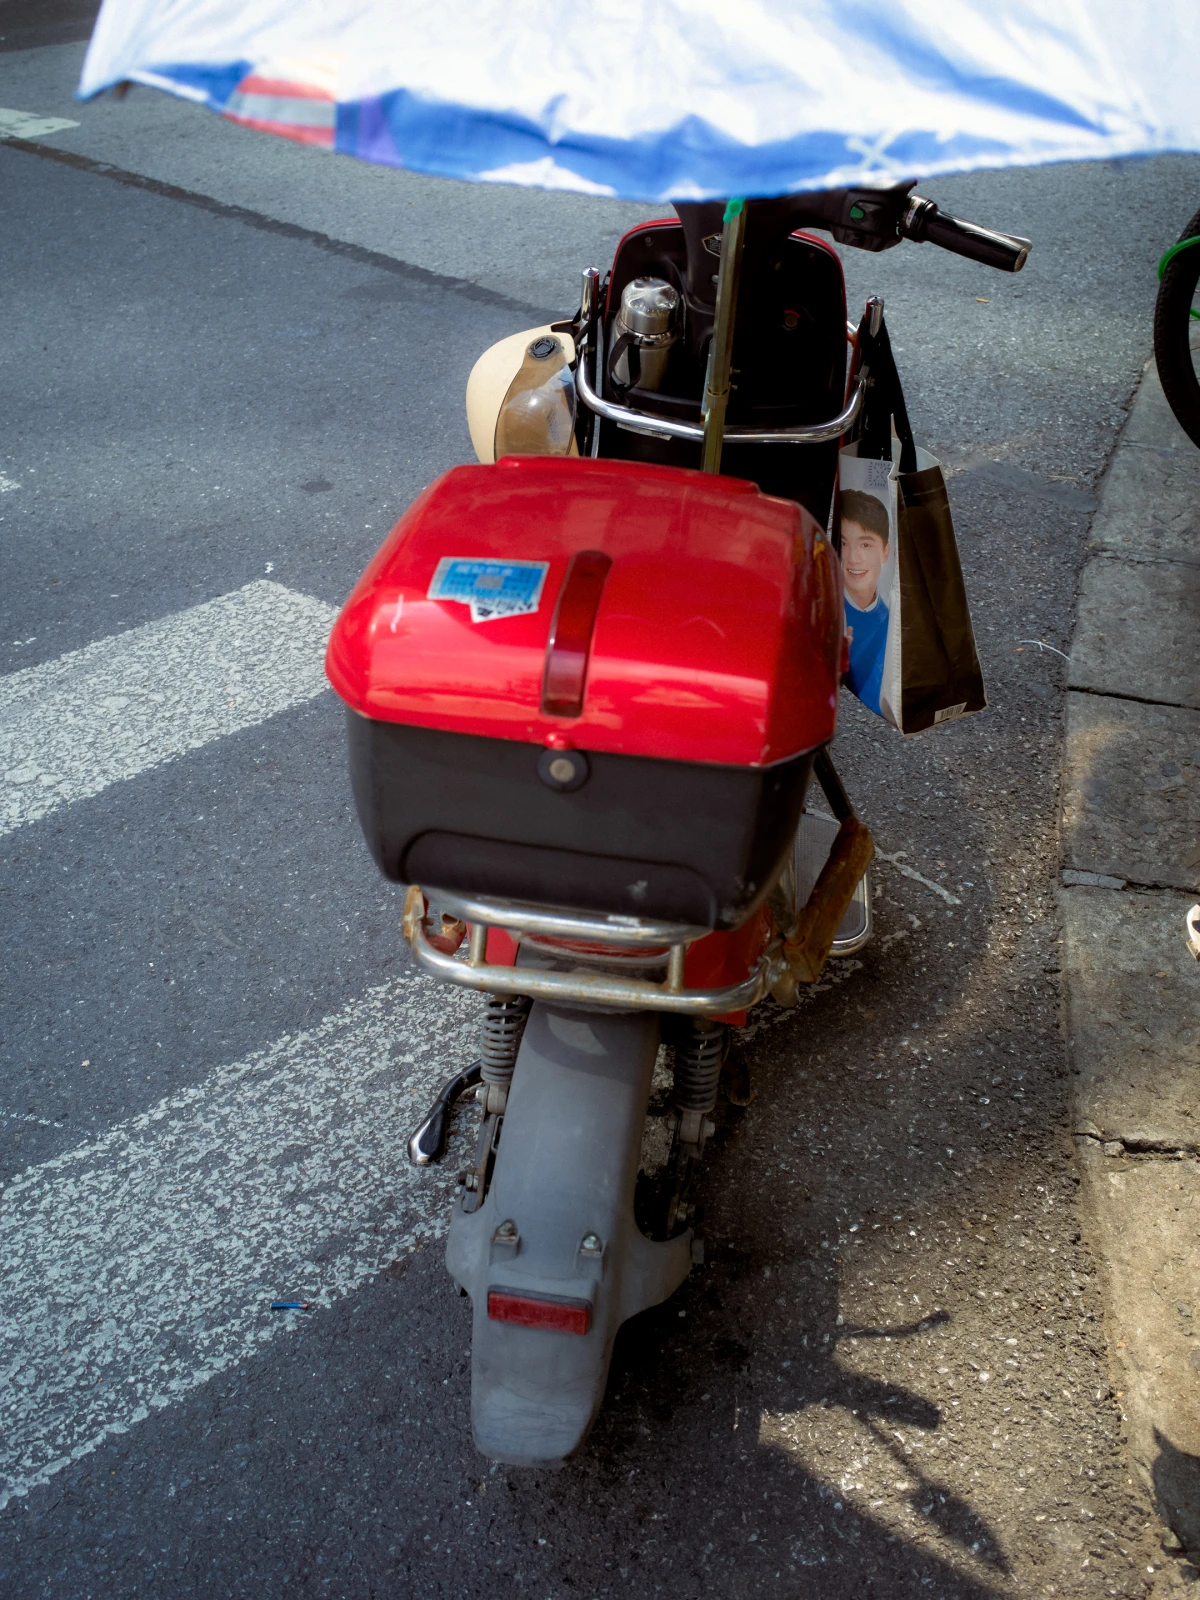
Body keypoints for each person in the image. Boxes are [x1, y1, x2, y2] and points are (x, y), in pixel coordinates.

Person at [840, 488, 890, 716]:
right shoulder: (821, 609)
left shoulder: (892, 624)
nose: (853, 557)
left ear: (885, 552)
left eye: (866, 545)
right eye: (843, 543)